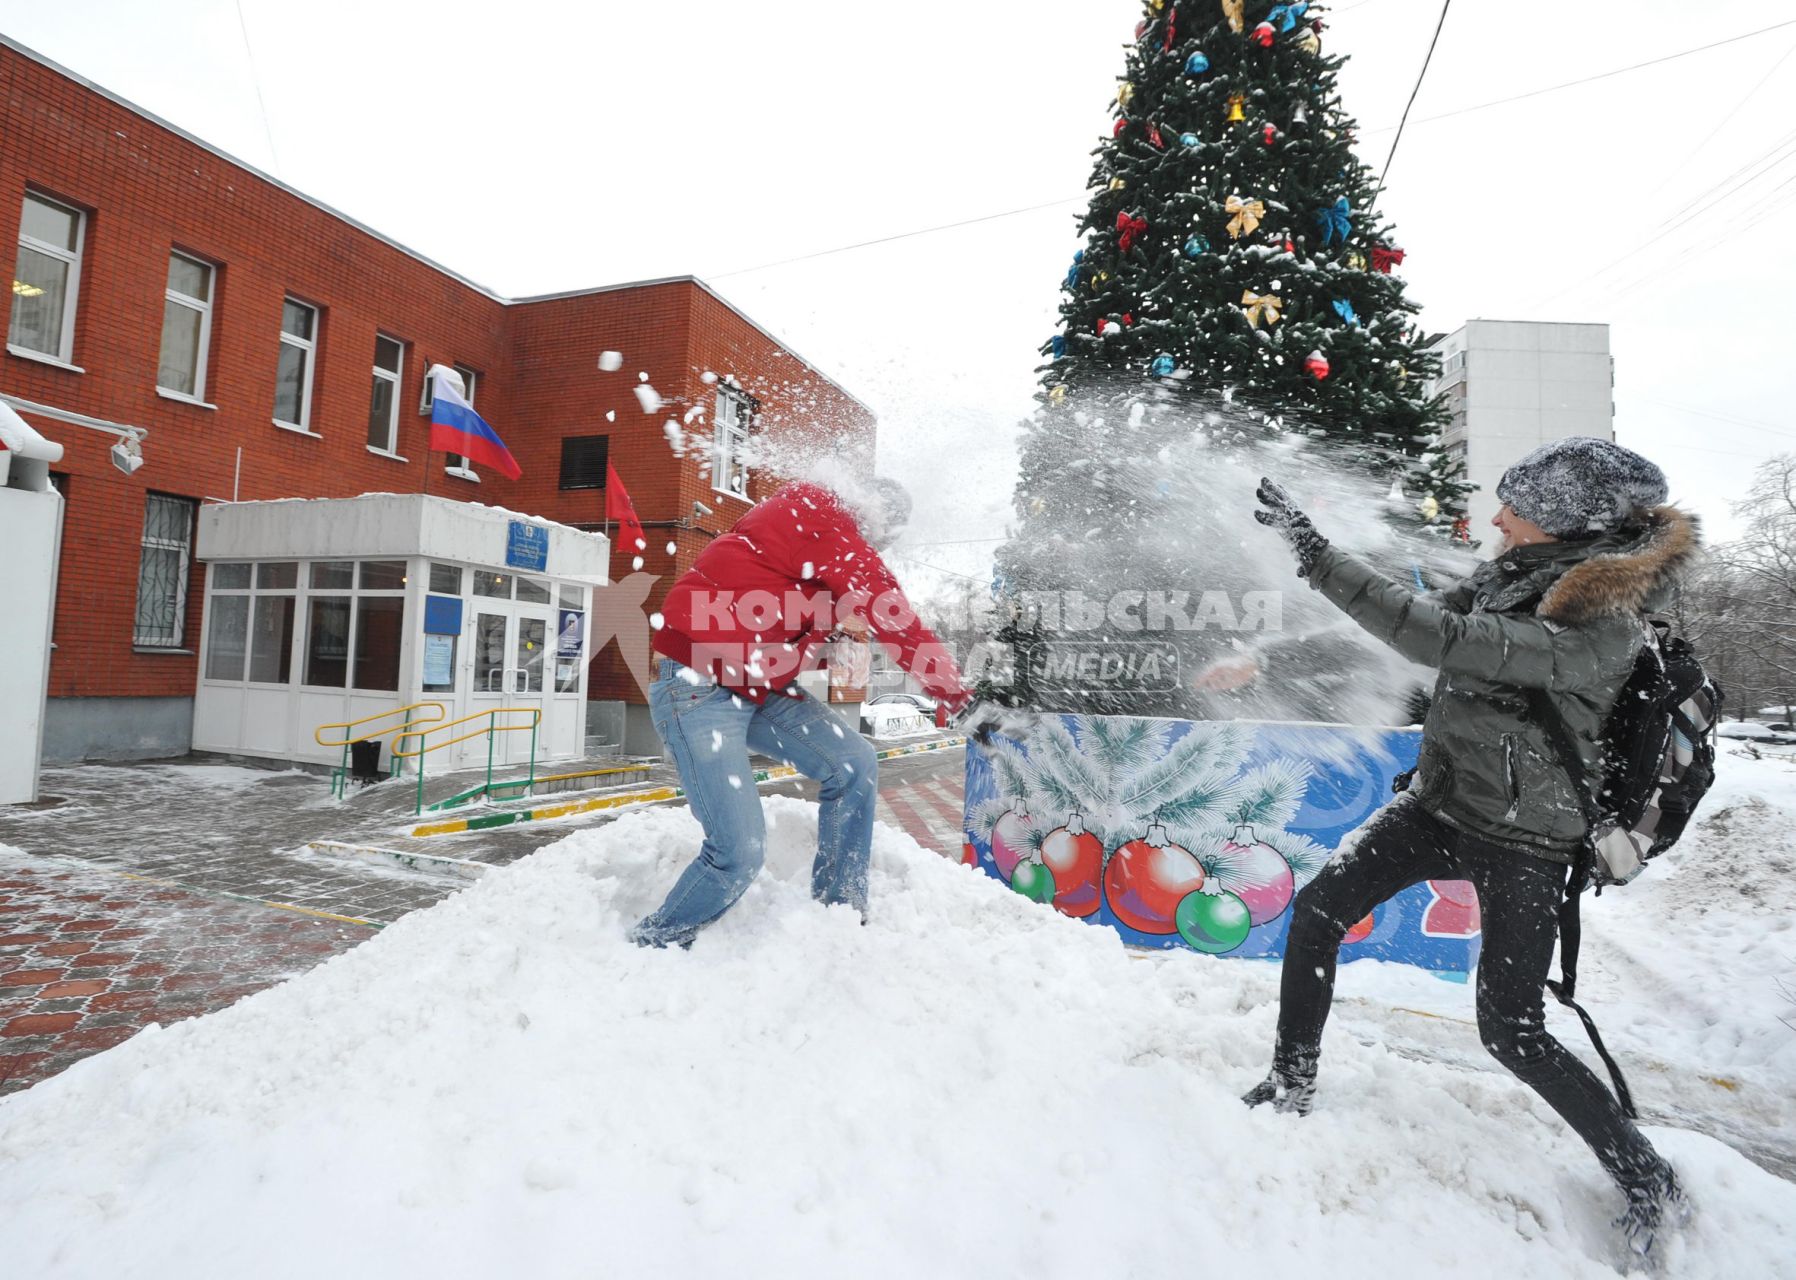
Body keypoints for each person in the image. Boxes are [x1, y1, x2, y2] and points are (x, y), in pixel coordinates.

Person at [1246, 437, 1700, 1263]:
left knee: (1512, 1028)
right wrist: (1261, 656)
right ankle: (1291, 1077)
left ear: (1567, 520)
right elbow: (1419, 631)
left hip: (1527, 839)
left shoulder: (1603, 621)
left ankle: (1649, 1181)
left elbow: (1440, 640)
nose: (1497, 517)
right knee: (1317, 912)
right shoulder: (1511, 576)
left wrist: (1316, 553)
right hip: (1441, 808)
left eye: (1515, 507)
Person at [631, 476, 971, 949]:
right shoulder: (824, 520)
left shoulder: (813, 530)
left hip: (755, 685)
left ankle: (839, 912)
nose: (884, 542)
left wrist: (816, 645)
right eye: (888, 530)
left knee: (853, 763)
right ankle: (654, 945)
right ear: (873, 515)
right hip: (696, 682)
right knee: (737, 852)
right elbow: (895, 617)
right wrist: (957, 695)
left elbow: (774, 614)